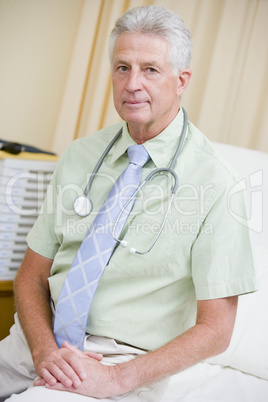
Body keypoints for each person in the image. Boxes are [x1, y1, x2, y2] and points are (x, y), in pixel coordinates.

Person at [0, 5, 258, 402]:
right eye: (122, 67)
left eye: (150, 69)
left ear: (181, 80)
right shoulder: (80, 155)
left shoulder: (217, 184)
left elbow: (216, 331)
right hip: (35, 343)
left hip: (121, 358)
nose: (132, 83)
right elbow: (31, 276)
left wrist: (117, 379)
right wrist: (44, 350)